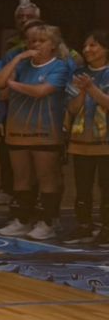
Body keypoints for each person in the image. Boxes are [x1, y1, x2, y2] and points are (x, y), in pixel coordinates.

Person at [0, 24, 73, 239]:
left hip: (46, 130)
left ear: (53, 45)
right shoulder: (22, 65)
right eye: (32, 41)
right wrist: (17, 59)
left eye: (41, 41)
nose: (35, 44)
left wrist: (13, 85)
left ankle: (47, 222)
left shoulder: (59, 66)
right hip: (17, 129)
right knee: (21, 178)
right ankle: (22, 219)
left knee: (47, 177)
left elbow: (41, 91)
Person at [66, 30, 109, 244]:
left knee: (106, 187)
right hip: (81, 141)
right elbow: (72, 109)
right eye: (85, 45)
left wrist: (91, 88)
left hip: (106, 141)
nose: (87, 49)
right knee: (82, 187)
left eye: (93, 45)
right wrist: (82, 92)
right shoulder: (78, 73)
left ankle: (107, 228)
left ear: (106, 49)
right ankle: (84, 225)